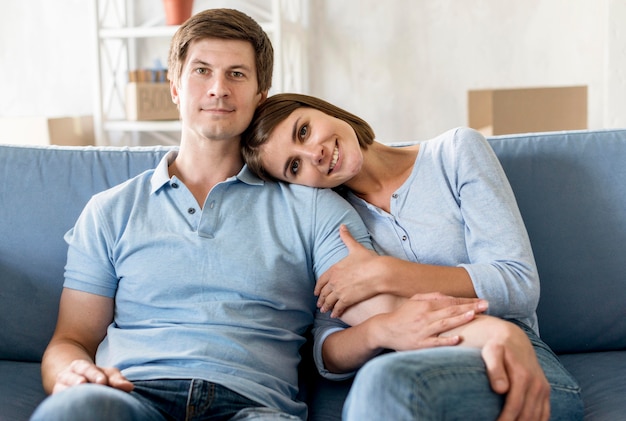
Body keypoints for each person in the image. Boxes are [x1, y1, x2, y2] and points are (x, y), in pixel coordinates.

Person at [30, 9, 491, 421]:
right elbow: (71, 339)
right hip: (130, 396)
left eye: (236, 74)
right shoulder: (110, 210)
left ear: (259, 95)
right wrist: (70, 376)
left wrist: (494, 336)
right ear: (174, 86)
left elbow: (382, 307)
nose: (218, 88)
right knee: (77, 410)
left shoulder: (313, 206)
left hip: (253, 407)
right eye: (202, 71)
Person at [241, 93, 584, 420]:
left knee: (388, 384)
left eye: (304, 130)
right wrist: (381, 331)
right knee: (385, 381)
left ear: (323, 109)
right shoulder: (334, 219)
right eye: (294, 167)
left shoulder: (454, 153)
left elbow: (518, 283)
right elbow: (326, 347)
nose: (313, 154)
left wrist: (386, 273)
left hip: (510, 350)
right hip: (408, 361)